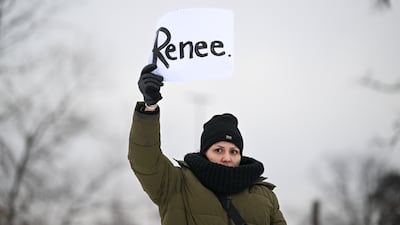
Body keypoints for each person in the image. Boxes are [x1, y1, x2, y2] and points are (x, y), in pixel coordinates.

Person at [128, 64, 287, 225]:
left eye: (234, 151)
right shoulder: (177, 185)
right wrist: (150, 106)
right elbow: (145, 160)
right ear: (205, 152)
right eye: (218, 150)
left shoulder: (265, 196)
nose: (227, 157)